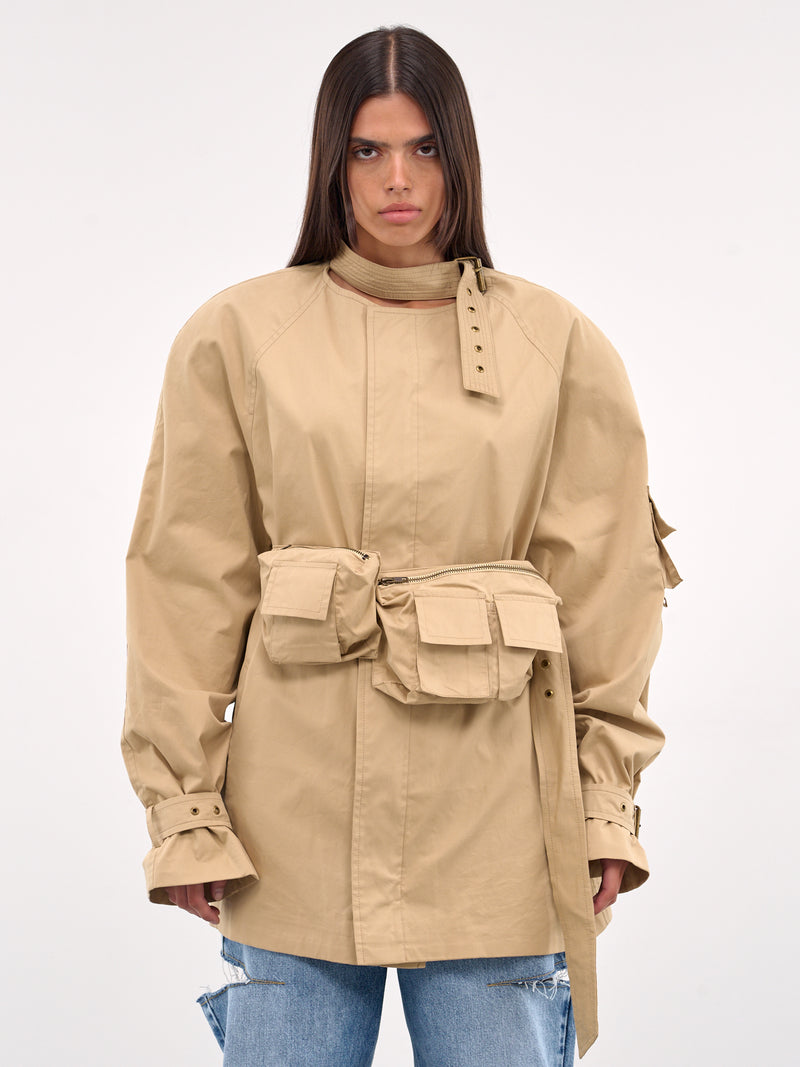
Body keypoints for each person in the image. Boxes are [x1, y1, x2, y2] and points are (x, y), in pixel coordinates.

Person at [122, 25, 680, 1067]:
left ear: (460, 155)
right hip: (287, 830)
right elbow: (183, 586)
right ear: (328, 162)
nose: (397, 180)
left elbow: (609, 591)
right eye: (367, 150)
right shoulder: (235, 336)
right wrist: (185, 809)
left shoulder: (555, 344)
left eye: (424, 148)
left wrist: (606, 803)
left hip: (498, 830)